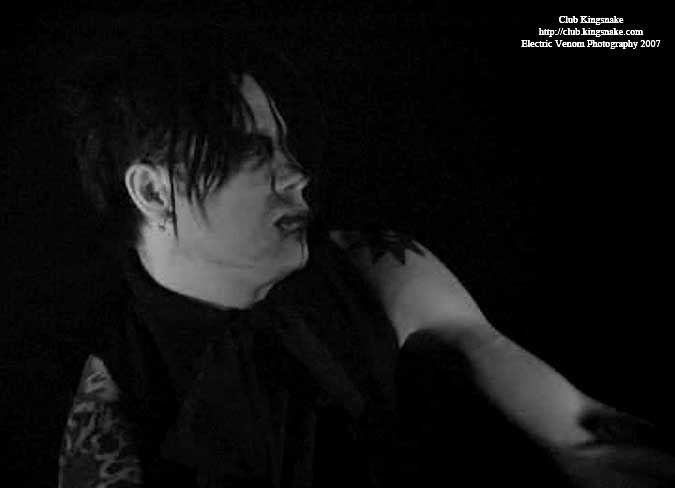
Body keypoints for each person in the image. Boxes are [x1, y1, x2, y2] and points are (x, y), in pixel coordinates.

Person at [55, 16, 674, 488]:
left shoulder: (372, 269)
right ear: (153, 193)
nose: (297, 175)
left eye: (284, 145)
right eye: (252, 153)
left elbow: (578, 429)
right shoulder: (114, 404)